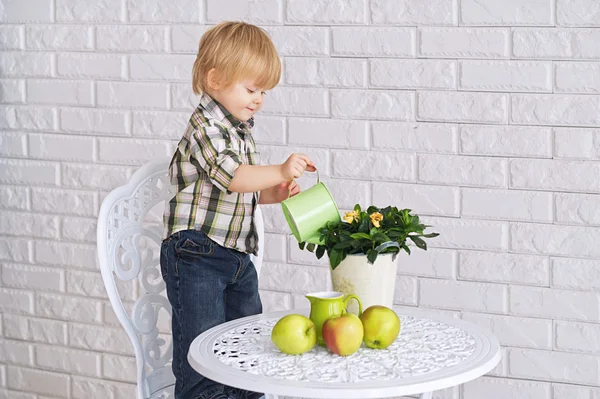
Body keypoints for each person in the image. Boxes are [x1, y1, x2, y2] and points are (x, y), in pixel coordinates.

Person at [160, 21, 316, 399]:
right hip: (196, 253)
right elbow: (230, 176)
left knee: (246, 349)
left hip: (235, 256)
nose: (259, 98)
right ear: (214, 79)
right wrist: (278, 169)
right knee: (202, 354)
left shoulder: (239, 129)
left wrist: (272, 192)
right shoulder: (205, 127)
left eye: (263, 90)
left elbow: (237, 189)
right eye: (251, 88)